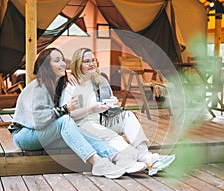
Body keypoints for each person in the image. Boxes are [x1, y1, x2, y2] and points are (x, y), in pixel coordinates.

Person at [10, 47, 130, 179]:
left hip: (44, 133)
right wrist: (66, 108)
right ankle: (98, 163)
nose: (62, 63)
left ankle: (116, 156)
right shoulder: (39, 86)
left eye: (62, 60)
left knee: (81, 129)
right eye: (57, 60)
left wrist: (70, 74)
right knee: (65, 121)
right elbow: (40, 120)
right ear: (46, 66)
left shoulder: (56, 83)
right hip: (25, 135)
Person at [64, 48, 175, 176]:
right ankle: (148, 161)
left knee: (128, 116)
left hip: (102, 118)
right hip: (84, 125)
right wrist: (92, 108)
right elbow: (70, 115)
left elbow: (104, 102)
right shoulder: (71, 85)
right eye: (86, 61)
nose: (92, 64)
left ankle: (146, 156)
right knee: (111, 136)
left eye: (93, 60)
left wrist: (111, 102)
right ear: (78, 65)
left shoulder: (98, 80)